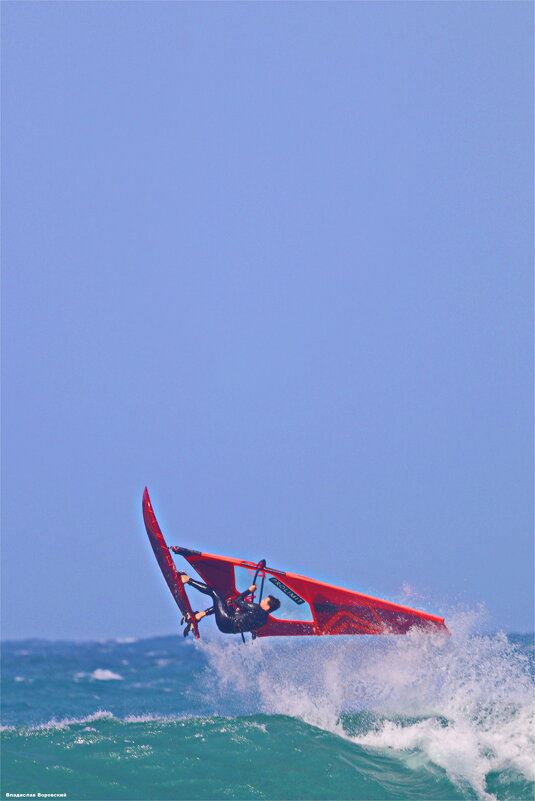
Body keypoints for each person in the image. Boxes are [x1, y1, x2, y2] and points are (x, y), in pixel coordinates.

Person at [176, 571, 281, 637]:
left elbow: (238, 600)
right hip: (226, 629)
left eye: (264, 600)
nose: (261, 600)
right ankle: (199, 615)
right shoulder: (264, 621)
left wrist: (249, 590)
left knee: (215, 593)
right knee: (228, 604)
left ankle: (187, 580)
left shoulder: (256, 608)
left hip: (225, 620)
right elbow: (250, 625)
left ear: (268, 606)